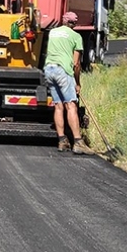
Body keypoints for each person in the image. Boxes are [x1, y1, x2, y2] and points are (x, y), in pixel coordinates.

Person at [44, 11, 93, 155]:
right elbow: (76, 63)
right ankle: (78, 142)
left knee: (58, 106)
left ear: (63, 21)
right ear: (74, 23)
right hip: (63, 71)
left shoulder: (53, 32)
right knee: (71, 105)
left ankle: (62, 141)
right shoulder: (76, 36)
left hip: (49, 69)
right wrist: (77, 83)